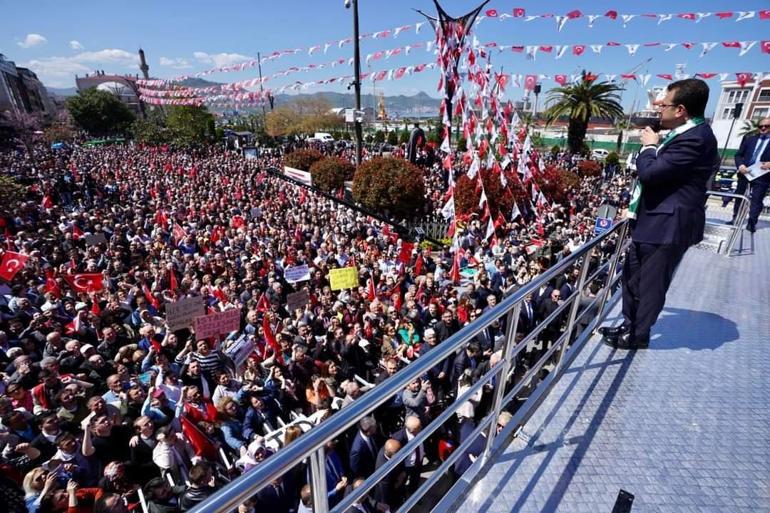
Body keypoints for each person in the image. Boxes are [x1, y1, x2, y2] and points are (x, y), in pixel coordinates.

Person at [600, 78, 719, 349]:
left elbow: (651, 173)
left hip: (668, 225)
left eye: (663, 104)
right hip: (653, 221)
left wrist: (650, 147)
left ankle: (637, 335)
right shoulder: (684, 133)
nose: (658, 109)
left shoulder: (696, 138)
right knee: (632, 277)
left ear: (680, 110)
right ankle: (629, 325)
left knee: (651, 284)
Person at [732, 116, 770, 232]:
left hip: (762, 175)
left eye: (766, 126)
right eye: (760, 126)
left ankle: (751, 223)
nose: (763, 128)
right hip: (745, 173)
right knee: (739, 197)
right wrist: (741, 165)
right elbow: (738, 155)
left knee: (756, 200)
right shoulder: (750, 139)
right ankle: (735, 219)